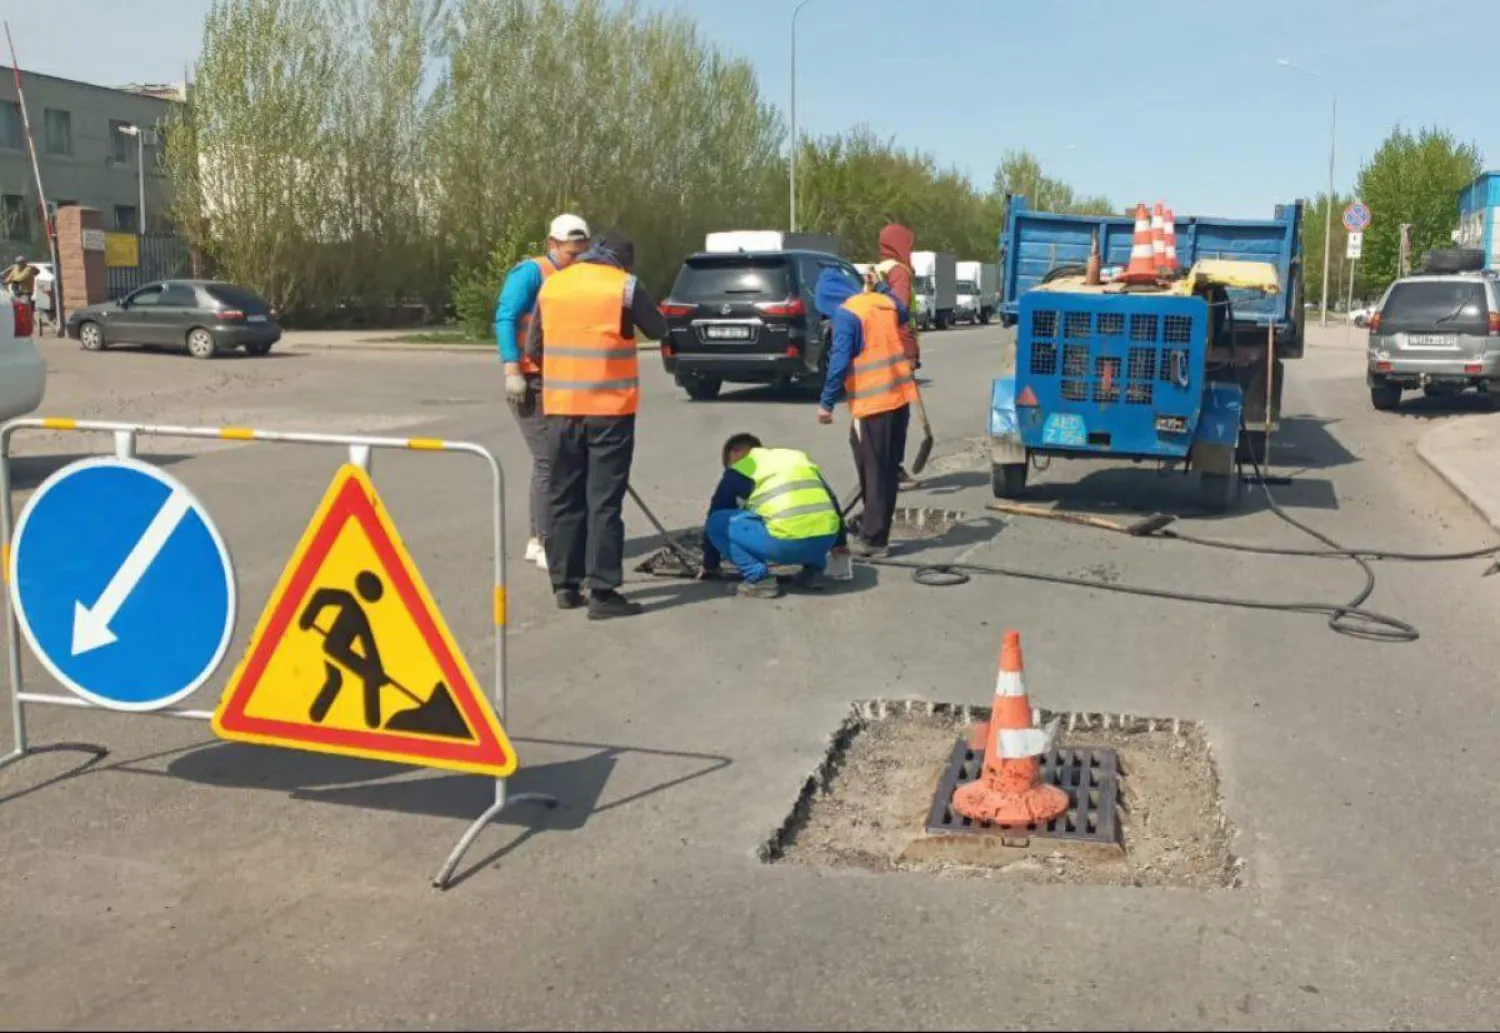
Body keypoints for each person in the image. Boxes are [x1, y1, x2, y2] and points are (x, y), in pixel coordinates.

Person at [526, 230, 666, 620]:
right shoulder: (624, 286)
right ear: (623, 261)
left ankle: (565, 586)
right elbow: (658, 330)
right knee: (603, 501)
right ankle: (602, 592)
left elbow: (534, 348)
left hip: (561, 410)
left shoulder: (554, 285)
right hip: (609, 410)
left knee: (564, 497)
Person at [495, 214, 591, 573]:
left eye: (582, 252)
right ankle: (544, 541)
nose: (576, 259)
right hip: (529, 383)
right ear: (552, 245)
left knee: (563, 459)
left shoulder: (579, 278)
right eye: (570, 253)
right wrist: (511, 368)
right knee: (549, 461)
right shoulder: (531, 273)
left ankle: (544, 536)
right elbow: (505, 317)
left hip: (560, 380)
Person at [814, 266, 917, 559]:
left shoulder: (848, 314)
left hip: (873, 404)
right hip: (899, 399)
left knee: (873, 470)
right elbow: (903, 311)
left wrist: (826, 403)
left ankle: (874, 539)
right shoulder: (882, 303)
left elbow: (839, 361)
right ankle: (876, 528)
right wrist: (880, 287)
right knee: (886, 468)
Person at [698, 433, 845, 599]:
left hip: (785, 545)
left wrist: (710, 564)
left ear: (735, 453)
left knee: (717, 522)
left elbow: (716, 513)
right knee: (807, 516)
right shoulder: (796, 458)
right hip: (825, 541)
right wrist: (840, 544)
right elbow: (832, 501)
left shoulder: (742, 469)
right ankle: (814, 572)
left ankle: (759, 579)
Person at [874, 224, 921, 489]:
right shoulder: (900, 272)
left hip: (876, 351)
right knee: (898, 413)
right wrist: (909, 356)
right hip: (897, 352)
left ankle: (880, 467)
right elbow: (900, 315)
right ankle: (893, 469)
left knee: (880, 414)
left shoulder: (876, 270)